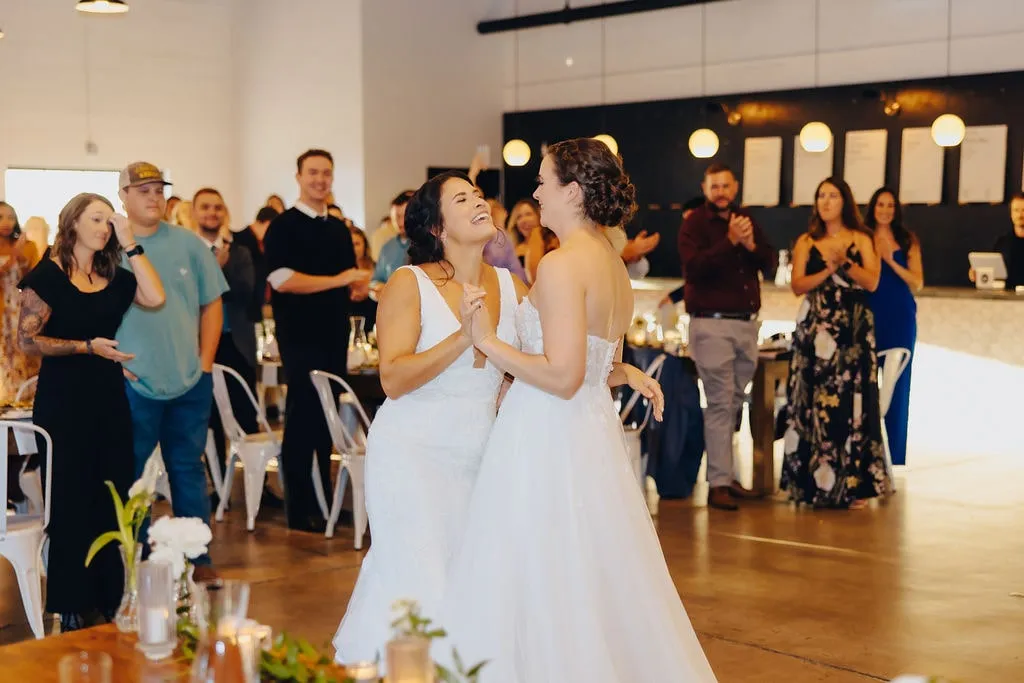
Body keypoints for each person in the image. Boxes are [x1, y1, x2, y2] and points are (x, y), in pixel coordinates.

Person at [438, 138, 715, 682]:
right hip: (590, 435)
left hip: (544, 433)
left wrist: (487, 340)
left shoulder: (564, 265)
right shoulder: (612, 264)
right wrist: (625, 371)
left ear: (573, 190)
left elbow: (562, 377)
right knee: (589, 573)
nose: (536, 191)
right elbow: (593, 365)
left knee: (539, 572)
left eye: (543, 181)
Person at [333, 171, 527, 666]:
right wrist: (465, 336)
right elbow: (393, 379)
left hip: (484, 449)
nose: (479, 201)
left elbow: (530, 363)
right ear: (437, 228)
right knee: (421, 574)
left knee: (473, 572)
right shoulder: (408, 282)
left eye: (479, 195)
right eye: (462, 198)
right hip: (413, 452)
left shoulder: (511, 285)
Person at [17, 193, 164, 631]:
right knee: (70, 500)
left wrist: (131, 241)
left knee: (111, 494)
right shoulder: (46, 276)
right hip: (63, 399)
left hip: (108, 397)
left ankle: (109, 594)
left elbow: (154, 296)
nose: (104, 227)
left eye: (108, 220)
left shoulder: (114, 277)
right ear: (73, 223)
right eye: (96, 219)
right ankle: (71, 601)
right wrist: (86, 346)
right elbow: (26, 342)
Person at [114, 162, 229, 577]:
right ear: (123, 195)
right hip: (132, 381)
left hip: (189, 380)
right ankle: (136, 558)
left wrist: (205, 362)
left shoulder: (189, 244)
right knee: (133, 474)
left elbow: (212, 303)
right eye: (142, 190)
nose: (153, 197)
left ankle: (197, 556)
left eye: (159, 190)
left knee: (187, 468)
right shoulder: (110, 247)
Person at [264, 149, 371, 531]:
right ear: (298, 177)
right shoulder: (284, 226)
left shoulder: (338, 228)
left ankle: (324, 503)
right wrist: (340, 281)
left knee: (327, 422)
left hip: (333, 336)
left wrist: (355, 290)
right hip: (300, 338)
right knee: (301, 419)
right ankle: (298, 509)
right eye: (313, 173)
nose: (320, 180)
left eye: (326, 173)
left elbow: (342, 282)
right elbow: (281, 280)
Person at [781, 177, 887, 510]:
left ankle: (853, 483)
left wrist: (845, 264)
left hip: (852, 328)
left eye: (833, 195)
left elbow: (872, 282)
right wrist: (827, 270)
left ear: (846, 201)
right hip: (815, 328)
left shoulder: (862, 238)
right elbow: (797, 285)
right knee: (812, 400)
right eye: (821, 195)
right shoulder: (806, 241)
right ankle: (811, 483)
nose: (826, 201)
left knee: (850, 401)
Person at [677, 165, 776, 510]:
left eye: (725, 185)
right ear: (704, 188)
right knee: (720, 402)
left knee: (732, 403)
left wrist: (749, 243)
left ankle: (726, 476)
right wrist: (729, 242)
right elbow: (694, 269)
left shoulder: (746, 218)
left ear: (735, 187)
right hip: (711, 324)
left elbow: (770, 261)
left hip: (746, 324)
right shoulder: (694, 225)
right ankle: (719, 483)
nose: (720, 191)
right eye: (714, 185)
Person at [866, 187, 922, 467]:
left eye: (890, 205)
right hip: (869, 315)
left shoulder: (907, 240)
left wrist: (890, 260)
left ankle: (894, 460)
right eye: (880, 204)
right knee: (864, 386)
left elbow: (917, 282)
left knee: (896, 389)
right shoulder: (863, 237)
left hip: (899, 316)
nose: (885, 210)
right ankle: (866, 456)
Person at [0, 201, 41, 404]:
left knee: (27, 353)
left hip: (22, 308)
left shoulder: (28, 246)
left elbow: (34, 279)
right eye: (0, 217)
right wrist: (13, 256)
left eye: (10, 217)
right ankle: (7, 401)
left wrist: (23, 258)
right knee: (5, 356)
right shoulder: (15, 248)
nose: (6, 222)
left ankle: (28, 401)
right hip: (2, 312)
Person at [969, 192, 1024, 289]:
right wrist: (978, 273)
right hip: (1006, 297)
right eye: (1016, 210)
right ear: (1011, 213)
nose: (1020, 215)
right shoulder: (1003, 242)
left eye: (1023, 210)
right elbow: (995, 272)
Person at [371, 190, 416, 289]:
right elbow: (376, 279)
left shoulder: (424, 245)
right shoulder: (387, 247)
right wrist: (378, 287)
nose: (400, 222)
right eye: (396, 217)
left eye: (404, 216)